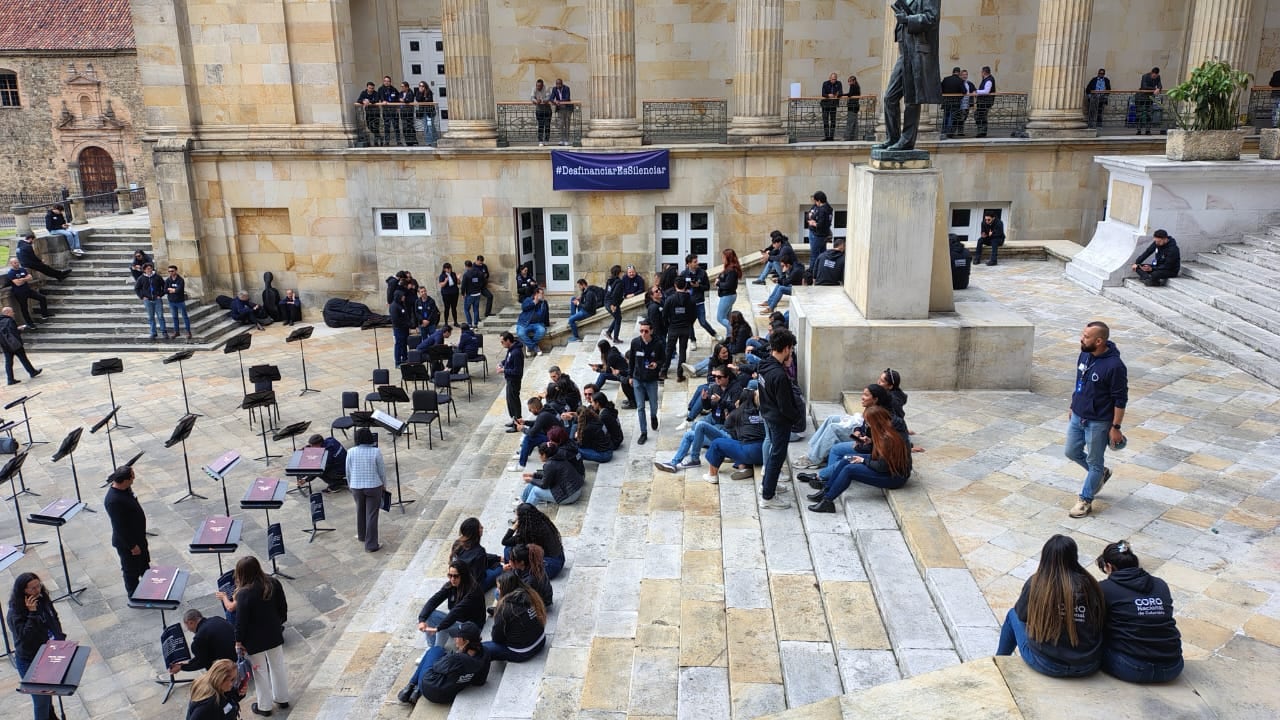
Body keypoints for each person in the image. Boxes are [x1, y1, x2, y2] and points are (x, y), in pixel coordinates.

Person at [996, 534, 1104, 678]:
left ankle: (998, 661)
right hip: (1088, 664)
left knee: (1012, 615)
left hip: (1048, 664)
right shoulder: (1090, 584)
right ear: (1074, 556)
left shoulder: (1037, 584)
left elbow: (1021, 615)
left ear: (1045, 557)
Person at [1096, 540, 1183, 683]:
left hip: (1131, 668)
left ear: (1109, 567)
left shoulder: (1105, 589)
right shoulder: (1160, 584)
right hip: (1173, 666)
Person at [1066, 320, 1128, 518]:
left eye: (1086, 337)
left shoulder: (1115, 366)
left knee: (1094, 460)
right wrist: (1073, 404)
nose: (1081, 339)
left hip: (1099, 422)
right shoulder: (1085, 354)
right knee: (1071, 451)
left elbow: (1120, 399)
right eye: (1083, 335)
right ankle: (1100, 474)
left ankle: (1085, 500)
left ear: (1099, 341)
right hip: (1078, 415)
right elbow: (1079, 381)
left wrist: (1115, 427)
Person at [806, 405, 912, 512]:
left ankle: (827, 501)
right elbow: (877, 454)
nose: (866, 424)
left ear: (876, 421)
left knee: (849, 470)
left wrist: (863, 461)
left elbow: (882, 466)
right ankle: (826, 491)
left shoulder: (889, 438)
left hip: (894, 477)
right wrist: (869, 443)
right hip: (883, 465)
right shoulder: (883, 430)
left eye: (868, 422)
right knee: (847, 459)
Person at [873, 0, 942, 151]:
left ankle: (907, 140)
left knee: (912, 99)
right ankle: (893, 138)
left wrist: (908, 19)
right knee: (889, 97)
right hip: (904, 52)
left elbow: (932, 18)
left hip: (917, 52)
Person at [233, 556, 290, 716]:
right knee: (278, 666)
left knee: (260, 672)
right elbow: (283, 607)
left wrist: (238, 641)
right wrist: (278, 623)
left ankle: (264, 706)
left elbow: (241, 622)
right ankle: (282, 698)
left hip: (254, 640)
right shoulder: (273, 583)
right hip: (273, 633)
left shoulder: (244, 594)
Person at [8, 572, 65, 720]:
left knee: (48, 695)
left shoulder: (42, 598)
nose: (37, 590)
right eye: (32, 588)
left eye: (38, 586)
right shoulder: (15, 612)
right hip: (30, 660)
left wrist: (59, 637)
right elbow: (25, 638)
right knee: (41, 701)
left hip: (48, 653)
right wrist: (32, 614)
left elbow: (53, 616)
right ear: (23, 590)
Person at [398, 620, 490, 705]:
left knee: (436, 650)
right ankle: (414, 689)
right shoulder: (485, 654)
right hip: (449, 696)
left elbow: (436, 666)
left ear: (466, 641)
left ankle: (411, 686)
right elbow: (480, 682)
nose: (455, 639)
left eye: (457, 637)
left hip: (428, 688)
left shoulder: (456, 658)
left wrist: (450, 656)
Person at [758, 329, 800, 509]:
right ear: (786, 348)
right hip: (778, 420)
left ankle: (768, 485)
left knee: (774, 454)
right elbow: (786, 406)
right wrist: (796, 417)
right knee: (777, 456)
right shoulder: (780, 376)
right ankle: (768, 497)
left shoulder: (764, 364)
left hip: (767, 414)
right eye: (790, 349)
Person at [417, 560, 488, 655]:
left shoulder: (473, 591)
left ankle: (436, 652)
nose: (452, 579)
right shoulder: (451, 585)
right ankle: (432, 649)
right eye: (450, 575)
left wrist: (438, 628)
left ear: (464, 576)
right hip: (457, 622)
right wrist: (422, 619)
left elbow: (456, 612)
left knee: (443, 625)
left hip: (470, 627)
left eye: (456, 576)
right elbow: (434, 600)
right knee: (430, 615)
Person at [704, 383, 766, 483]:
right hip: (765, 453)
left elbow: (727, 429)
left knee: (717, 443)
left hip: (749, 452)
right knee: (738, 443)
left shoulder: (737, 413)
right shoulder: (763, 412)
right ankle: (744, 466)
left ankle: (712, 475)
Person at [104, 465, 150, 597]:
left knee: (143, 564)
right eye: (132, 477)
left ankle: (149, 586)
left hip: (139, 537)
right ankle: (134, 594)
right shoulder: (113, 501)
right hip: (128, 543)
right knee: (131, 570)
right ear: (125, 480)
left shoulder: (125, 488)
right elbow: (120, 527)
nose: (134, 479)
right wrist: (132, 545)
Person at [483, 572, 548, 662]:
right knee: (497, 595)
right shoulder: (529, 594)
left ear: (506, 589)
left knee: (481, 648)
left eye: (499, 588)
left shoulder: (504, 609)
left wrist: (499, 616)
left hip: (523, 652)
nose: (497, 590)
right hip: (540, 640)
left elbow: (496, 638)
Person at [345, 428, 385, 552]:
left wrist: (350, 485)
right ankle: (371, 545)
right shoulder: (376, 452)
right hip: (373, 486)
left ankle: (362, 535)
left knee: (360, 511)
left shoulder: (350, 451)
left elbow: (348, 470)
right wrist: (384, 485)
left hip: (356, 486)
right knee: (372, 515)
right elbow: (381, 471)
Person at [502, 503, 566, 578]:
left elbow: (505, 541)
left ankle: (514, 569)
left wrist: (515, 525)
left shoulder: (527, 533)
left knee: (508, 550)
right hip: (559, 560)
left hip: (548, 567)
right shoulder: (543, 522)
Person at [170, 608, 237, 676]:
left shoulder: (199, 638)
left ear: (191, 622)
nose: (188, 630)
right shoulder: (216, 618)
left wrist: (181, 667)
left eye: (187, 626)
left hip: (230, 666)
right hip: (239, 653)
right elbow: (203, 656)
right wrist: (187, 663)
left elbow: (202, 662)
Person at [628, 319, 663, 444]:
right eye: (641, 331)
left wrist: (656, 364)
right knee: (640, 407)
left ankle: (653, 416)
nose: (643, 333)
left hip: (651, 379)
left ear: (651, 331)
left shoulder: (658, 343)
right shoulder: (635, 343)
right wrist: (630, 376)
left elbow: (662, 359)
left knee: (653, 404)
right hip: (638, 378)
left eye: (646, 331)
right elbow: (631, 360)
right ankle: (643, 432)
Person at [520, 441, 585, 505]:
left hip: (570, 496)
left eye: (540, 454)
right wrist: (534, 475)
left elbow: (544, 485)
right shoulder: (559, 457)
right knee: (533, 483)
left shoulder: (549, 464)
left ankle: (525, 511)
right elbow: (548, 476)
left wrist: (530, 480)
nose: (539, 456)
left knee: (535, 490)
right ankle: (524, 501)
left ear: (544, 455)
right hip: (575, 490)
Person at [451, 517, 502, 590]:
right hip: (474, 586)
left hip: (462, 578)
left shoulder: (457, 543)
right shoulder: (479, 551)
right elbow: (480, 576)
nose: (482, 528)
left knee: (494, 563)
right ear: (475, 532)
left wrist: (497, 558)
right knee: (499, 568)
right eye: (480, 527)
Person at [663, 278, 697, 382]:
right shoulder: (691, 299)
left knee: (669, 350)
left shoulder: (670, 299)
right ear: (685, 286)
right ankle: (679, 374)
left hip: (673, 327)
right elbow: (694, 315)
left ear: (675, 285)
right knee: (683, 351)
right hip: (685, 328)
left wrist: (668, 325)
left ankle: (664, 371)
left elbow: (664, 315)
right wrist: (689, 323)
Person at [680, 253, 718, 344]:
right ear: (689, 264)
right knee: (689, 323)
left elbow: (707, 287)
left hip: (699, 301)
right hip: (688, 302)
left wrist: (698, 286)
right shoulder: (684, 274)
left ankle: (714, 334)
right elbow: (680, 287)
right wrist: (686, 291)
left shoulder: (702, 273)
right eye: (695, 262)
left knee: (703, 322)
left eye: (697, 261)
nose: (697, 263)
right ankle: (693, 340)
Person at [6, 257, 53, 330]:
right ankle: (30, 323)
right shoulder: (11, 273)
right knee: (24, 308)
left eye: (17, 262)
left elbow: (30, 277)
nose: (17, 264)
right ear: (11, 264)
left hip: (28, 290)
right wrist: (25, 279)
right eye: (15, 263)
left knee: (42, 298)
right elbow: (18, 283)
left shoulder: (22, 269)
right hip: (19, 293)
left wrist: (22, 279)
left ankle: (44, 314)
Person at [1, 306, 41, 386]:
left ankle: (10, 379)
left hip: (5, 345)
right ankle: (32, 372)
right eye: (12, 312)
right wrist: (19, 329)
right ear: (7, 313)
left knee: (8, 362)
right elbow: (14, 333)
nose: (13, 313)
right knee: (23, 358)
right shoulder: (10, 320)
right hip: (15, 345)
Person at [592, 339, 635, 406]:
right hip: (622, 371)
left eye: (599, 348)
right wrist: (599, 366)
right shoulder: (613, 349)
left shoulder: (611, 356)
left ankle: (594, 390)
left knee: (603, 375)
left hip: (623, 373)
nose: (599, 350)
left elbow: (607, 370)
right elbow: (609, 365)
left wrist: (597, 369)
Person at [134, 262, 171, 339]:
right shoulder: (141, 278)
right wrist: (142, 296)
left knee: (160, 316)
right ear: (144, 270)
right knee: (151, 317)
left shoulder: (157, 277)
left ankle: (164, 331)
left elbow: (164, 286)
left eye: (150, 268)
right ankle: (153, 333)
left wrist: (160, 295)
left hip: (157, 300)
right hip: (147, 300)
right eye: (147, 269)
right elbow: (137, 288)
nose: (149, 270)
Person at [498, 331, 525, 429]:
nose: (502, 344)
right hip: (510, 379)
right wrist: (502, 363)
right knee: (510, 401)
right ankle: (514, 419)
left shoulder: (516, 352)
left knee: (514, 401)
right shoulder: (510, 350)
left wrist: (504, 370)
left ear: (508, 340)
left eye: (502, 342)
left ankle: (518, 422)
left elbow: (517, 370)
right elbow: (508, 360)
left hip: (514, 380)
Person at [516, 286, 549, 357]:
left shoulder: (544, 302)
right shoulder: (528, 299)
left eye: (543, 294)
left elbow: (546, 313)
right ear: (536, 294)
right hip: (525, 323)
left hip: (537, 323)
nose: (543, 295)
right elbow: (523, 307)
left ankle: (529, 346)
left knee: (542, 331)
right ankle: (535, 347)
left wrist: (547, 324)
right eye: (542, 293)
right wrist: (534, 302)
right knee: (520, 333)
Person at [567, 278, 603, 342]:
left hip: (588, 312)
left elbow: (587, 307)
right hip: (584, 309)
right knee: (573, 299)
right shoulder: (585, 291)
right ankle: (573, 316)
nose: (579, 288)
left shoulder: (589, 293)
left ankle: (576, 337)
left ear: (583, 285)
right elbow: (583, 301)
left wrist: (578, 303)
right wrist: (579, 299)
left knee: (571, 320)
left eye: (580, 286)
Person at [715, 249, 741, 334]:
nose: (722, 259)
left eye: (723, 257)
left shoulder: (732, 270)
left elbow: (729, 285)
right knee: (727, 317)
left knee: (720, 318)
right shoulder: (729, 268)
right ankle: (729, 336)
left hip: (728, 296)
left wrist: (718, 283)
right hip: (727, 295)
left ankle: (734, 330)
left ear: (728, 258)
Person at [165, 265, 194, 339]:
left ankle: (188, 332)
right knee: (175, 317)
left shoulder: (180, 280)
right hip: (171, 301)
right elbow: (165, 290)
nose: (170, 272)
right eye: (169, 271)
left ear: (176, 271)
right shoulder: (168, 280)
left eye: (172, 271)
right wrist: (173, 290)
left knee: (185, 317)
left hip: (180, 301)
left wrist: (171, 289)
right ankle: (176, 332)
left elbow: (179, 290)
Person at [940, 66, 966, 138]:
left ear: (953, 72)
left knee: (946, 116)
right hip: (955, 102)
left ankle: (944, 131)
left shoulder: (946, 79)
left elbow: (940, 89)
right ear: (959, 73)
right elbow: (964, 91)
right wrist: (960, 98)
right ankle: (949, 132)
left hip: (946, 101)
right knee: (952, 116)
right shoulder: (960, 81)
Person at [389, 288, 413, 367]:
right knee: (398, 345)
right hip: (399, 329)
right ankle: (398, 362)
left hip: (404, 328)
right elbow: (396, 320)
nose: (404, 297)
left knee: (404, 344)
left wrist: (409, 323)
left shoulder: (401, 304)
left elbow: (405, 315)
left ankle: (405, 358)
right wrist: (407, 324)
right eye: (402, 296)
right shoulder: (394, 306)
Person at [1137, 67, 1162, 135]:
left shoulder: (1158, 77)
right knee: (1140, 114)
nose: (1155, 77)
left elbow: (1160, 85)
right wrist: (1155, 89)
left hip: (1150, 98)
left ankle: (1147, 130)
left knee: (1149, 114)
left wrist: (1158, 88)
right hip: (1141, 97)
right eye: (1154, 76)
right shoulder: (1145, 76)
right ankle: (1139, 130)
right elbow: (1144, 86)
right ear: (1151, 73)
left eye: (1156, 76)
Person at [356, 81, 382, 145]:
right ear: (367, 87)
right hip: (368, 113)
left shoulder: (376, 93)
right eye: (370, 88)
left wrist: (368, 101)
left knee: (376, 127)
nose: (371, 89)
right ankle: (379, 137)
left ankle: (376, 142)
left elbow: (376, 100)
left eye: (372, 88)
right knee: (369, 126)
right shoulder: (364, 93)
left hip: (376, 113)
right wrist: (363, 101)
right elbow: (359, 100)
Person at [604, 264, 625, 344]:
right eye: (621, 271)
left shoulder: (609, 280)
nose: (623, 273)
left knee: (617, 318)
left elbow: (606, 292)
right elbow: (615, 294)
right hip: (612, 303)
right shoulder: (619, 282)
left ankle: (609, 332)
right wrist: (613, 305)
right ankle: (615, 338)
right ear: (618, 273)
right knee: (618, 318)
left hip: (607, 302)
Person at [461, 259, 484, 327]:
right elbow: (483, 281)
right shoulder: (479, 272)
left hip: (470, 294)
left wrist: (462, 294)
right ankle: (476, 324)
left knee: (466, 309)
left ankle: (470, 324)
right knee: (476, 309)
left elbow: (463, 286)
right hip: (478, 293)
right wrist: (479, 288)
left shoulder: (466, 274)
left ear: (466, 266)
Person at [974, 66, 996, 138]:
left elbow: (986, 91)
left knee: (981, 116)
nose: (981, 73)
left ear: (984, 72)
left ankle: (982, 132)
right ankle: (981, 131)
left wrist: (976, 91)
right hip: (983, 102)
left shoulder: (989, 80)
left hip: (985, 102)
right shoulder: (986, 79)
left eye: (981, 72)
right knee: (979, 116)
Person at [820, 72, 843, 141]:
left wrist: (837, 95)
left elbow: (841, 92)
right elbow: (823, 94)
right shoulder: (825, 83)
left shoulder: (839, 83)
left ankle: (831, 137)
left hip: (833, 105)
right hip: (825, 105)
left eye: (835, 79)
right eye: (832, 79)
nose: (834, 81)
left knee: (833, 121)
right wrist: (828, 95)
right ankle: (827, 137)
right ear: (829, 78)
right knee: (825, 121)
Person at [550, 78, 572, 145]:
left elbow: (567, 98)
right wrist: (554, 101)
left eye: (559, 84)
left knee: (567, 124)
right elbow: (551, 98)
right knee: (561, 124)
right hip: (560, 109)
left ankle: (567, 140)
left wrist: (559, 101)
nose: (558, 85)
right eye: (557, 84)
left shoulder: (566, 88)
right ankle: (561, 139)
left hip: (567, 108)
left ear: (562, 84)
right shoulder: (554, 89)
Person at [414, 80, 437, 145]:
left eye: (422, 86)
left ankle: (432, 140)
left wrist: (424, 99)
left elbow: (429, 100)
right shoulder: (418, 92)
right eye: (420, 86)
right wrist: (421, 93)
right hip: (423, 112)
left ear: (425, 86)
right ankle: (429, 141)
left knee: (430, 126)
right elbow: (418, 99)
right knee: (426, 126)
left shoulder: (429, 92)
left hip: (429, 112)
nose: (421, 87)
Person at [438, 262, 460, 327]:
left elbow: (458, 283)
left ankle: (455, 322)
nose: (449, 269)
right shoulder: (442, 275)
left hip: (454, 293)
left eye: (450, 268)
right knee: (447, 308)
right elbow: (441, 285)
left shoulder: (453, 274)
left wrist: (458, 278)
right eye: (447, 268)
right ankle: (446, 323)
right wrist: (445, 281)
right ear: (444, 269)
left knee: (454, 308)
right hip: (446, 294)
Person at [531, 78, 552, 145]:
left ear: (543, 85)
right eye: (537, 86)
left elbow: (548, 97)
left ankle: (546, 140)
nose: (538, 87)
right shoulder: (534, 89)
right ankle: (540, 140)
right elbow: (531, 97)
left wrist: (542, 100)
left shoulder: (547, 88)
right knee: (540, 126)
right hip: (539, 110)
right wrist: (536, 101)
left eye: (539, 86)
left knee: (547, 126)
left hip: (547, 110)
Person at [844, 75, 863, 140]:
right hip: (856, 106)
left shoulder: (853, 86)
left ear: (854, 81)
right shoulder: (857, 86)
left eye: (850, 81)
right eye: (848, 81)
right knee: (854, 122)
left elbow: (850, 94)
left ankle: (848, 137)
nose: (849, 83)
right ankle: (854, 137)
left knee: (850, 121)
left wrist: (841, 94)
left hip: (852, 106)